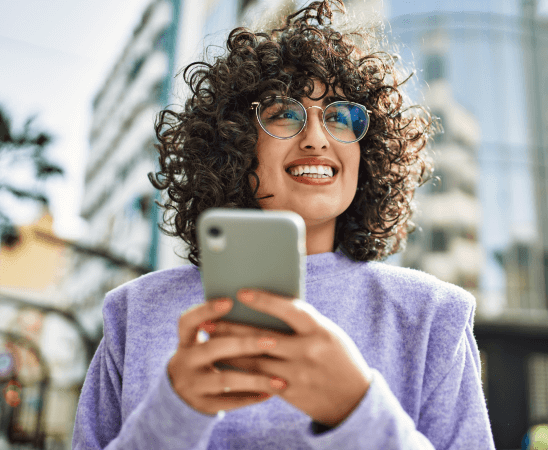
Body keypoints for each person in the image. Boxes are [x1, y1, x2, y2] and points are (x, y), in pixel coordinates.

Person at [71, 1, 494, 448]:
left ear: (367, 153)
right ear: (236, 143)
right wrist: (173, 413)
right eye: (284, 114)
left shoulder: (433, 317)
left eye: (341, 117)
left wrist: (356, 410)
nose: (315, 136)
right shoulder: (135, 313)